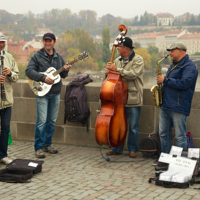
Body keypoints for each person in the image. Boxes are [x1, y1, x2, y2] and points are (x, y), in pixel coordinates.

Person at [26, 33, 71, 158]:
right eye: (45, 41)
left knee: (51, 121)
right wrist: (44, 78)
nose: (48, 43)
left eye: (50, 41)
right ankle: (38, 147)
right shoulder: (37, 56)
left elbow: (62, 76)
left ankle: (48, 144)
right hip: (42, 92)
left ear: (54, 42)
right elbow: (28, 71)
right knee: (42, 121)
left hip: (55, 93)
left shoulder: (59, 58)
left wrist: (66, 70)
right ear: (43, 42)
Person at [105, 37, 144, 158]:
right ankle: (116, 148)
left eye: (119, 47)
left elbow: (133, 74)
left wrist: (117, 69)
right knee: (118, 124)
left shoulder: (138, 60)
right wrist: (107, 72)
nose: (117, 49)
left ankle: (132, 149)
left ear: (126, 48)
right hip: (119, 97)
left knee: (133, 126)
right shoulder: (117, 60)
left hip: (133, 97)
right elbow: (112, 77)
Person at [157, 42, 198, 156]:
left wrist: (165, 80)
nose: (170, 53)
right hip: (166, 105)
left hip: (179, 106)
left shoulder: (190, 66)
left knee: (180, 136)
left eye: (172, 51)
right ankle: (165, 159)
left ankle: (179, 161)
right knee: (163, 134)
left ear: (181, 51)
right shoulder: (174, 64)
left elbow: (184, 84)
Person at [0, 33, 19, 165]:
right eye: (0, 42)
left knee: (5, 128)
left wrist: (10, 73)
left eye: (3, 42)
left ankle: (3, 155)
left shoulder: (9, 57)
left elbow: (16, 77)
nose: (1, 44)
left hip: (6, 99)